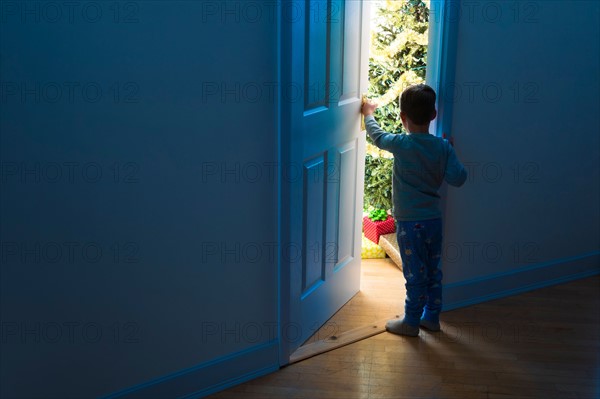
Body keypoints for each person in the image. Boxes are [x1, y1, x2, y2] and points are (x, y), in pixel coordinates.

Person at [361, 84, 467, 337]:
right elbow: (458, 178)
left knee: (414, 274)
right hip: (433, 221)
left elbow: (377, 136)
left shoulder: (401, 143)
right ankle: (431, 318)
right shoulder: (442, 148)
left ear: (402, 118)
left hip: (410, 224)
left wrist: (368, 114)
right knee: (433, 271)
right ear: (433, 115)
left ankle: (410, 322)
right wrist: (449, 151)